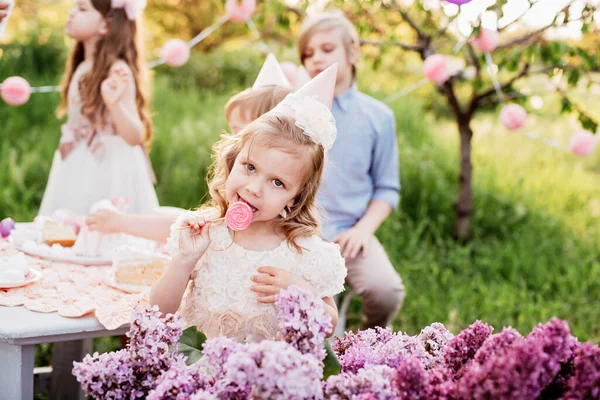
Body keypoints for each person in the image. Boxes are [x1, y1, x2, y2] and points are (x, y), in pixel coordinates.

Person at [150, 65, 347, 341]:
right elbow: (156, 314)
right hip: (198, 373)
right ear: (232, 162)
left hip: (264, 378)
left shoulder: (305, 252)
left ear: (297, 198)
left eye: (277, 183)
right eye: (250, 167)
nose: (254, 188)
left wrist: (305, 296)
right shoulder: (205, 233)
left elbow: (328, 328)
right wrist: (184, 261)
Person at [86, 53, 292, 242]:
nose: (232, 140)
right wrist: (121, 222)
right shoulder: (238, 187)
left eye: (238, 130)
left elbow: (198, 227)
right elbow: (196, 224)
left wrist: (122, 222)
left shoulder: (270, 210)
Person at [298, 10, 405, 329]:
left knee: (385, 291)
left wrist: (362, 230)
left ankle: (364, 347)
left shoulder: (379, 117)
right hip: (296, 230)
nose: (316, 59)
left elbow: (387, 188)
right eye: (307, 53)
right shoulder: (294, 110)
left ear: (353, 52)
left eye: (327, 49)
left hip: (349, 231)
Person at [38, 0, 158, 216]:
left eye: (82, 9)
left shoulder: (117, 71)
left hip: (109, 167)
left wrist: (114, 105)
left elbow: (134, 136)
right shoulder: (82, 65)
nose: (71, 13)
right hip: (77, 161)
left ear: (106, 24)